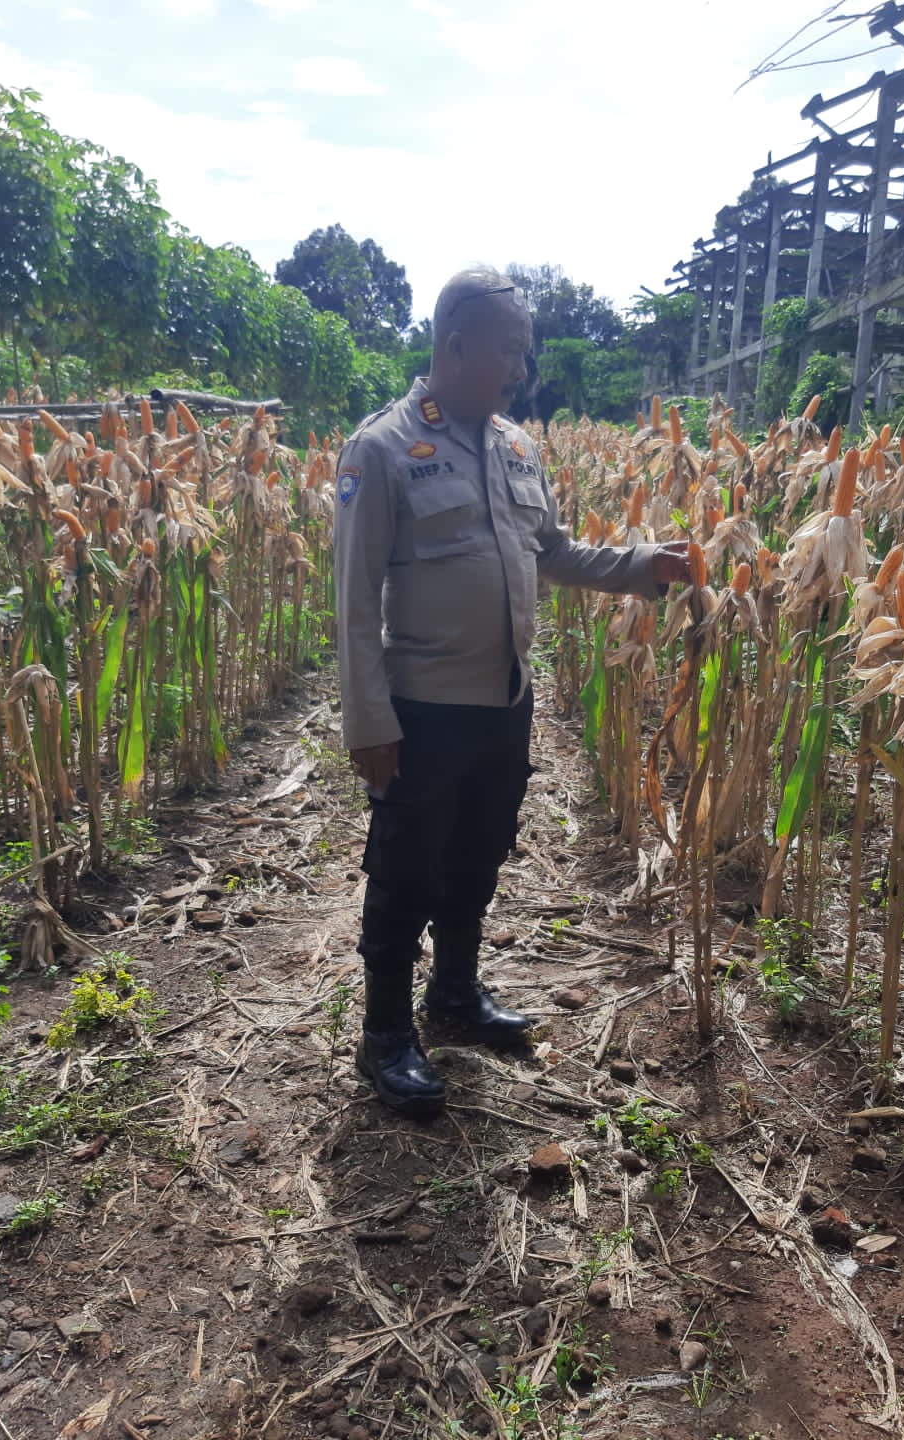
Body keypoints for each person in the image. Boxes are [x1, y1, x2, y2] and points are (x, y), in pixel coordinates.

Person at [334, 266, 690, 1116]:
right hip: (423, 709)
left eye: (524, 352)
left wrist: (641, 564)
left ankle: (455, 993)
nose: (522, 369)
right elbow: (351, 602)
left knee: (480, 852)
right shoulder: (381, 449)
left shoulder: (515, 447)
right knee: (406, 869)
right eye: (511, 351)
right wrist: (368, 721)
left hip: (505, 702)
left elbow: (553, 551)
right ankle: (385, 1033)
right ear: (457, 347)